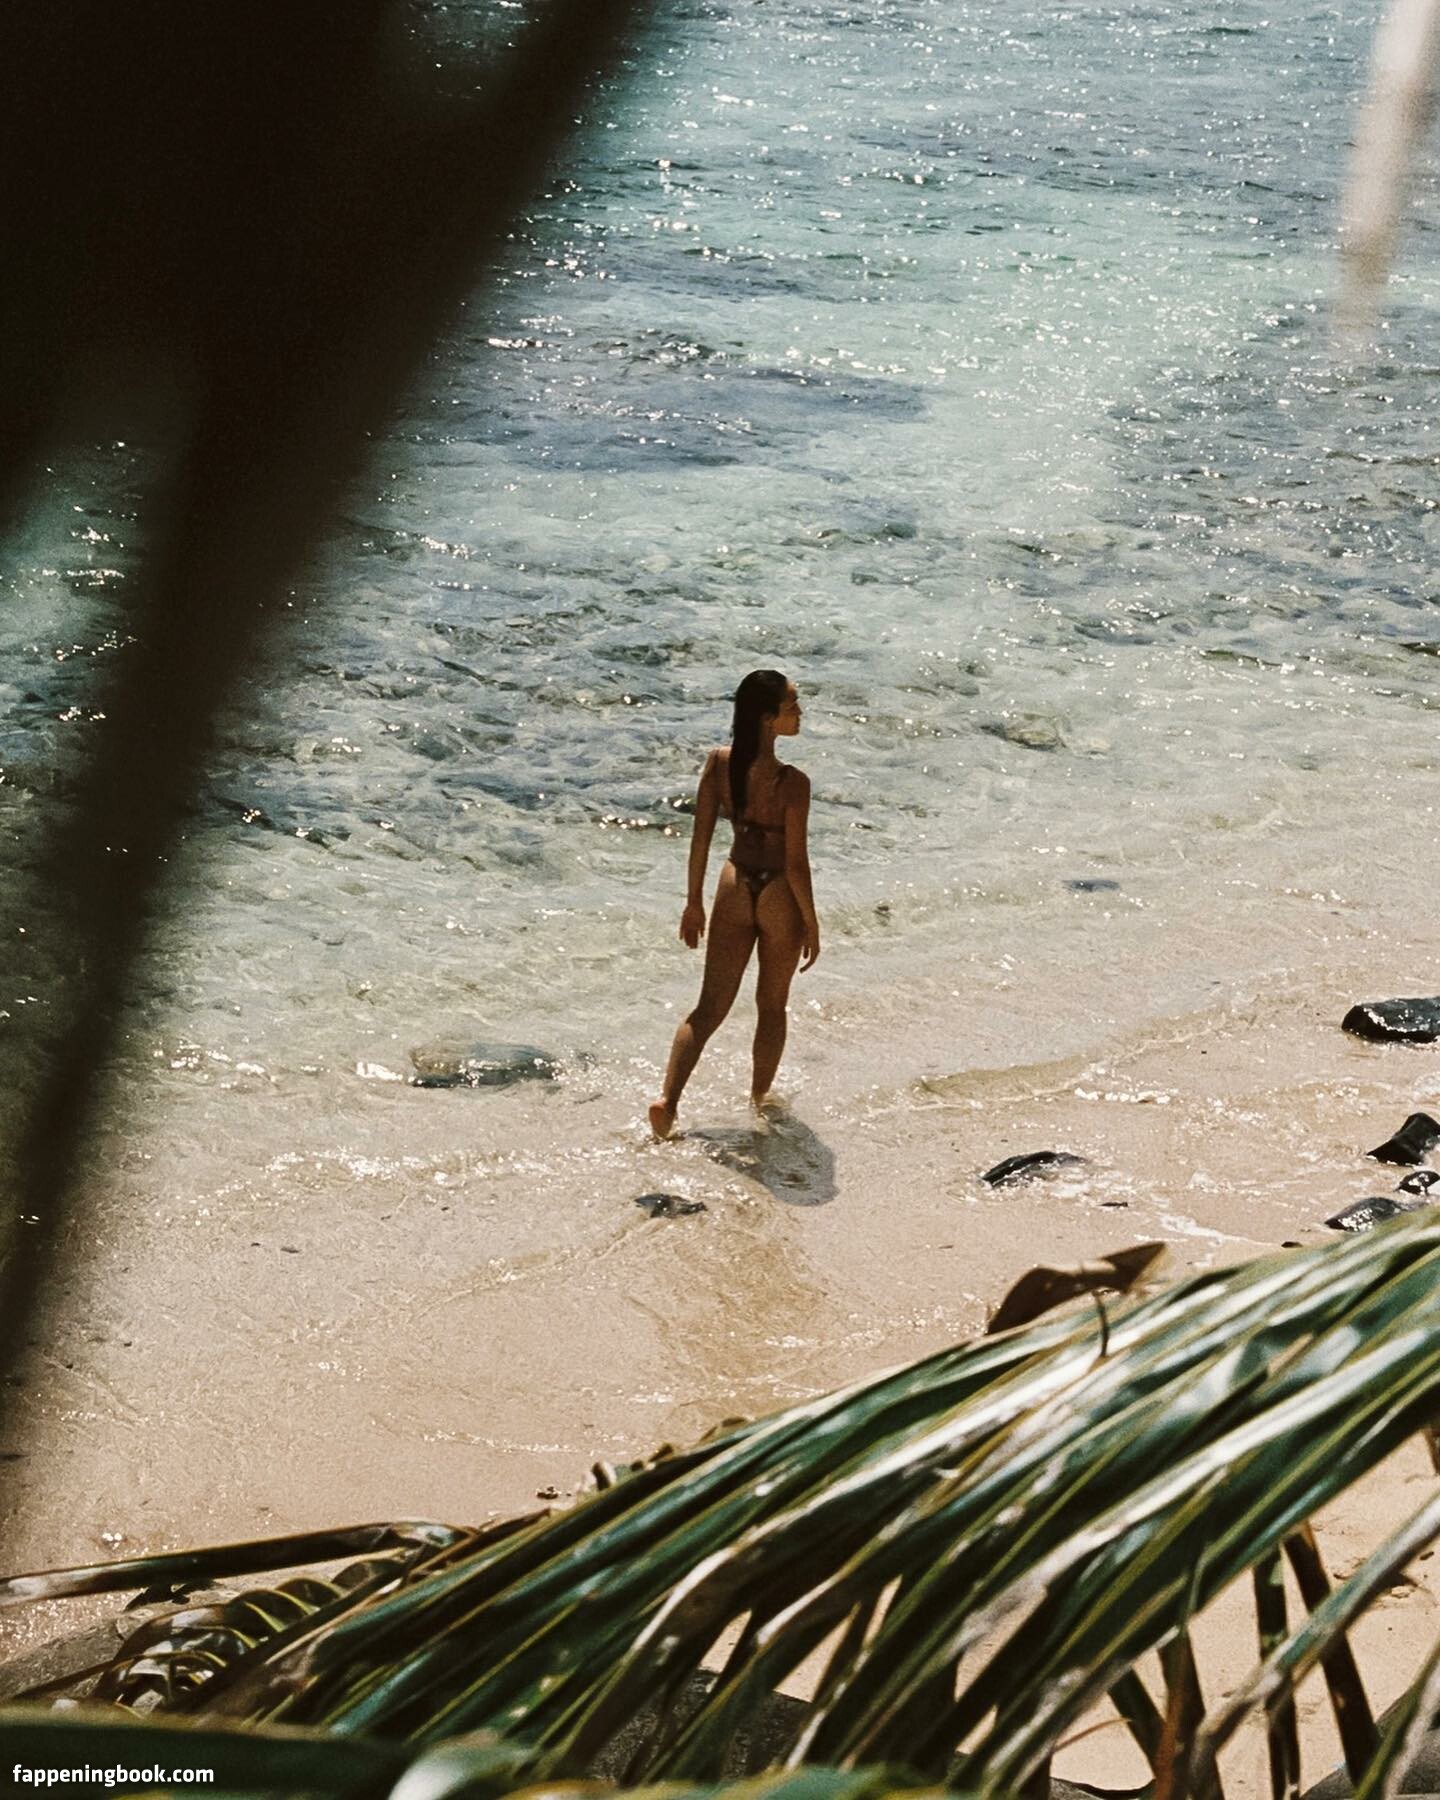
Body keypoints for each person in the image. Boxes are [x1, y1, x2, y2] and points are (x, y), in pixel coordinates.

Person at [649, 670, 819, 1140]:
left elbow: (700, 840)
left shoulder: (719, 764)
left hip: (734, 883)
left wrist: (693, 903)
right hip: (779, 892)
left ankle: (668, 1102)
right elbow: (796, 864)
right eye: (791, 705)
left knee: (708, 1008)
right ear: (767, 718)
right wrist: (812, 922)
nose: (799, 712)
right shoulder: (794, 782)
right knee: (772, 1007)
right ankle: (759, 1105)